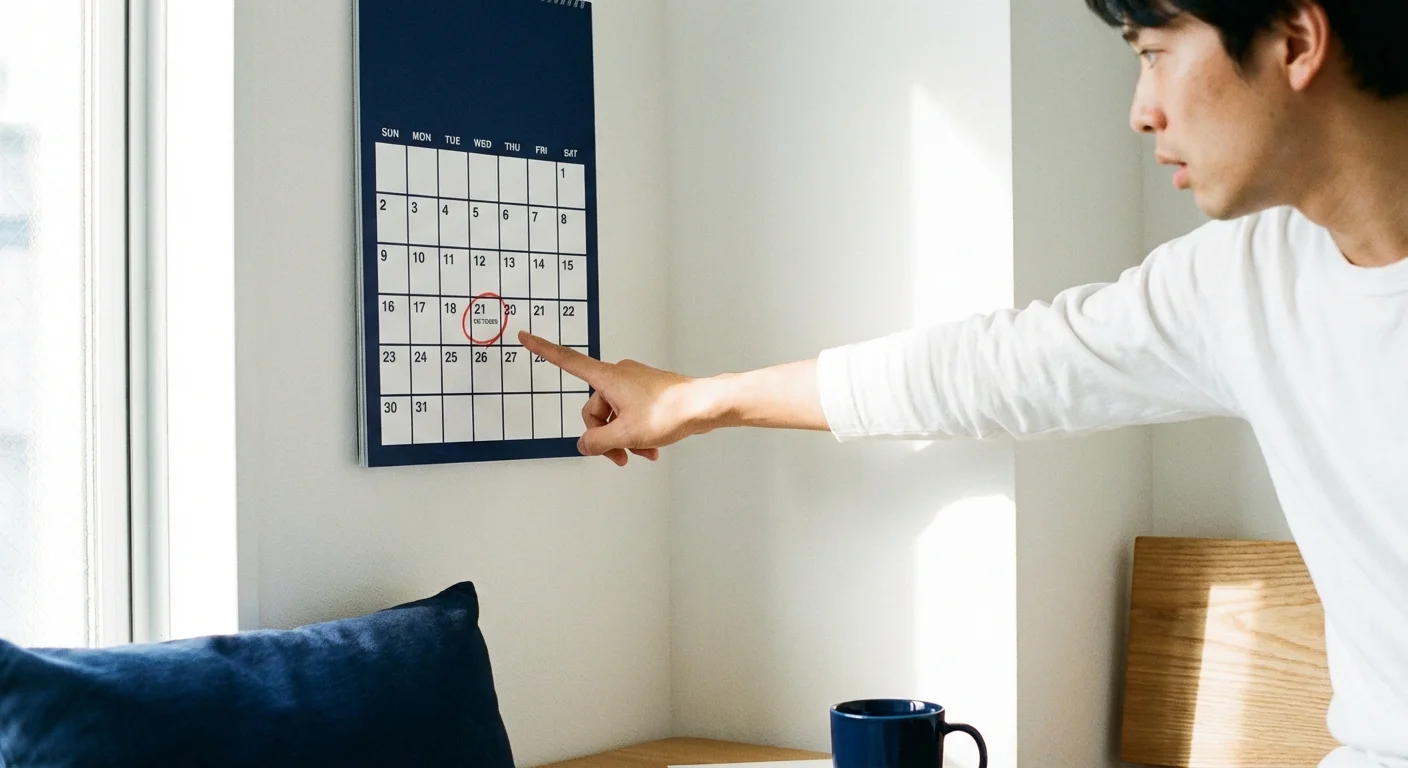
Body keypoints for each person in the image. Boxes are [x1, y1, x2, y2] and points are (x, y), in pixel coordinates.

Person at [523, 0, 1407, 765]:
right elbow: (994, 370)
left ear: (1295, 39)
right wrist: (694, 400)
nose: (1141, 112)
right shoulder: (1245, 278)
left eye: (1153, 54)